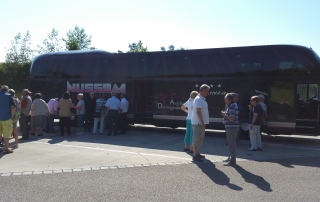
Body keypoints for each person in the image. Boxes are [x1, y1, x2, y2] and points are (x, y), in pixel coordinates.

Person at [191, 84, 210, 162]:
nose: (207, 93)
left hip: (200, 123)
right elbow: (198, 112)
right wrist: (202, 122)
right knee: (196, 138)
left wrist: (204, 122)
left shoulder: (202, 99)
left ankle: (197, 153)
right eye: (206, 91)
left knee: (199, 138)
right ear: (202, 90)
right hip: (198, 123)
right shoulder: (198, 99)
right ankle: (195, 155)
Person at [221, 93, 239, 166]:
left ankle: (232, 161)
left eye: (225, 98)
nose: (224, 99)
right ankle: (230, 158)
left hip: (232, 127)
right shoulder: (232, 105)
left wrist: (224, 114)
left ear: (228, 99)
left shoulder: (231, 106)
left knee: (231, 144)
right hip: (231, 127)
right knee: (230, 143)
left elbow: (231, 118)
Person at [0, 85, 16, 154]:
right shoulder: (9, 96)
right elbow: (13, 107)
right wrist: (12, 116)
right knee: (7, 134)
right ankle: (6, 148)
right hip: (6, 117)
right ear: (7, 90)